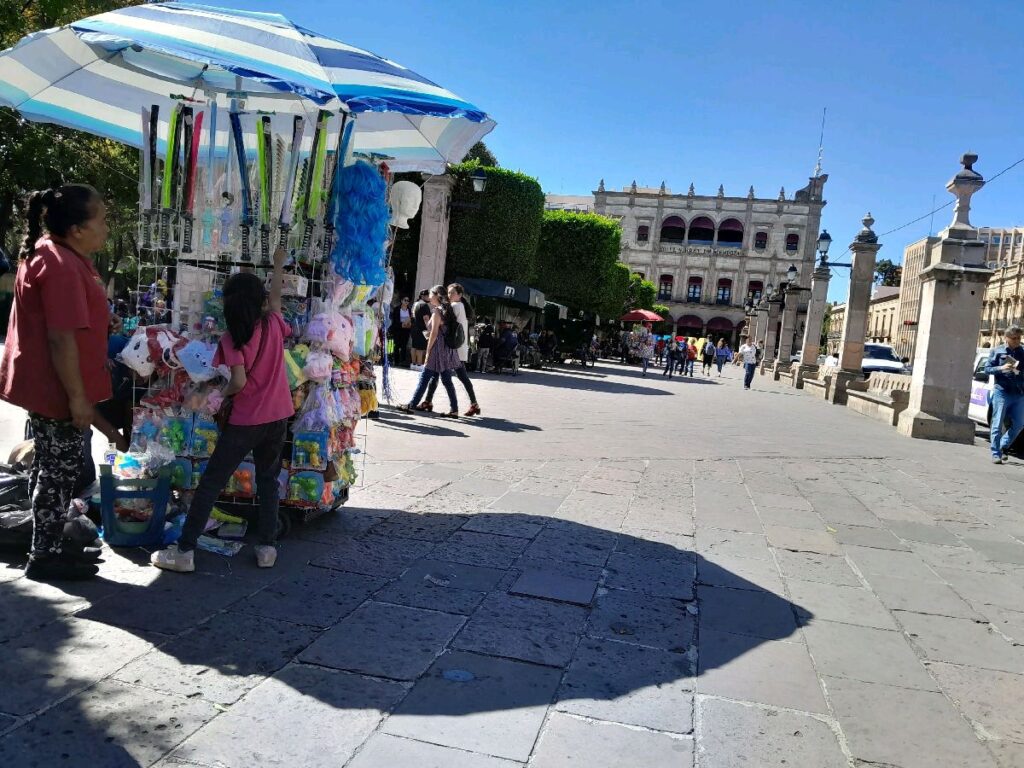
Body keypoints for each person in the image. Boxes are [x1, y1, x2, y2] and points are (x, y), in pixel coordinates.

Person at [0, 185, 128, 581]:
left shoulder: (59, 254)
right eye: (101, 220)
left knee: (50, 470)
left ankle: (46, 544)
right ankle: (45, 555)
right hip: (56, 388)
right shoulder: (59, 263)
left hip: (48, 384)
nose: (106, 228)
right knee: (58, 475)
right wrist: (77, 400)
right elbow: (60, 337)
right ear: (75, 228)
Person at [151, 245, 293, 572]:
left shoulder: (233, 338)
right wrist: (278, 266)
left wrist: (223, 396)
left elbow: (239, 382)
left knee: (212, 483)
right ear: (257, 302)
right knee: (269, 481)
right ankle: (267, 547)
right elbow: (274, 303)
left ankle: (185, 551)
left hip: (245, 421)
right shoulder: (273, 324)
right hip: (278, 416)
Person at [399, 285, 460, 417]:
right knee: (446, 380)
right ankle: (454, 409)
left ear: (437, 295)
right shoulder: (446, 310)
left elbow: (433, 333)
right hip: (446, 349)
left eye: (431, 294)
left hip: (437, 349)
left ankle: (412, 404)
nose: (429, 296)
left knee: (425, 376)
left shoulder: (438, 311)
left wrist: (428, 351)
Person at [423, 283, 481, 416]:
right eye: (448, 293)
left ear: (460, 295)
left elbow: (443, 322)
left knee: (446, 375)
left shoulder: (455, 306)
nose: (449, 295)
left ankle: (456, 406)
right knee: (454, 375)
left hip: (453, 348)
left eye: (452, 293)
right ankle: (472, 403)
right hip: (457, 347)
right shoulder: (460, 306)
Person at [985, 326, 1024, 464]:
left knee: (1019, 424)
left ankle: (1003, 444)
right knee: (997, 423)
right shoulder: (997, 351)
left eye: (1019, 338)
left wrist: (1019, 373)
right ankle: (996, 453)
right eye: (1014, 338)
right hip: (1002, 391)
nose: (1017, 341)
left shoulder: (1022, 352)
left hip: (1019, 393)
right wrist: (1001, 368)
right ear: (1006, 338)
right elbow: (987, 369)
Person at [409, 289, 431, 367]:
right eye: (429, 296)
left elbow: (411, 316)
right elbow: (426, 318)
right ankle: (419, 365)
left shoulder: (415, 304)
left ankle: (413, 364)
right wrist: (429, 329)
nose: (430, 297)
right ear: (423, 296)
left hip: (414, 328)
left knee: (414, 346)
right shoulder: (424, 305)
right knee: (420, 348)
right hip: (422, 329)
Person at [390, 296, 412, 367]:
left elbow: (411, 319)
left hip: (406, 330)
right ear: (401, 300)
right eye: (405, 300)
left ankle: (402, 361)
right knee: (396, 345)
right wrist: (401, 324)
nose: (406, 302)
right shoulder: (397, 309)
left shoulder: (409, 309)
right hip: (398, 329)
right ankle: (396, 361)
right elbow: (395, 320)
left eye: (408, 301)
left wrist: (409, 324)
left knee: (404, 346)